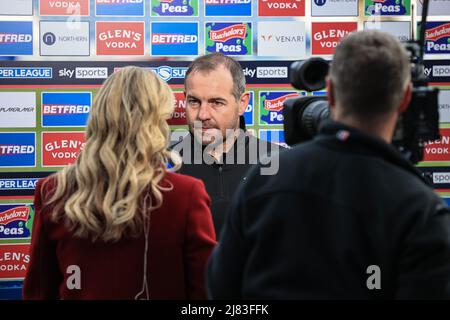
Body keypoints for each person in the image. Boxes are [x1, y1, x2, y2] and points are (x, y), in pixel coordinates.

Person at [207, 31, 450, 299]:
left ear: (331, 91)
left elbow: (221, 287)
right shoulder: (421, 208)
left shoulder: (265, 177)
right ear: (405, 98)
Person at [23, 66, 216, 300]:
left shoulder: (54, 190)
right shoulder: (186, 194)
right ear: (155, 123)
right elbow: (206, 294)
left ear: (97, 116)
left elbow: (38, 292)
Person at [172, 53, 283, 236]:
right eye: (194, 101)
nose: (202, 115)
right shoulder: (163, 167)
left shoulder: (278, 163)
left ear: (242, 103)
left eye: (216, 102)